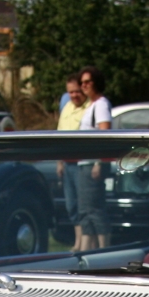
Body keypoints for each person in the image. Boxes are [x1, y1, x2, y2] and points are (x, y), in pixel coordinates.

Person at [75, 66, 112, 250]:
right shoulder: (88, 105)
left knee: (95, 210)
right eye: (82, 82)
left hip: (93, 164)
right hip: (84, 163)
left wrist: (99, 161)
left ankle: (104, 249)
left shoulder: (101, 104)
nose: (84, 85)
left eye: (88, 82)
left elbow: (104, 133)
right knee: (85, 211)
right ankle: (86, 250)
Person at [56, 75, 88, 244]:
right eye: (70, 92)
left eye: (77, 91)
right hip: (67, 163)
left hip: (82, 164)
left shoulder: (89, 108)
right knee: (71, 205)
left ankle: (84, 243)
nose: (74, 95)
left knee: (83, 206)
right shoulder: (67, 107)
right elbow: (60, 135)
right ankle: (77, 241)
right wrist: (59, 162)